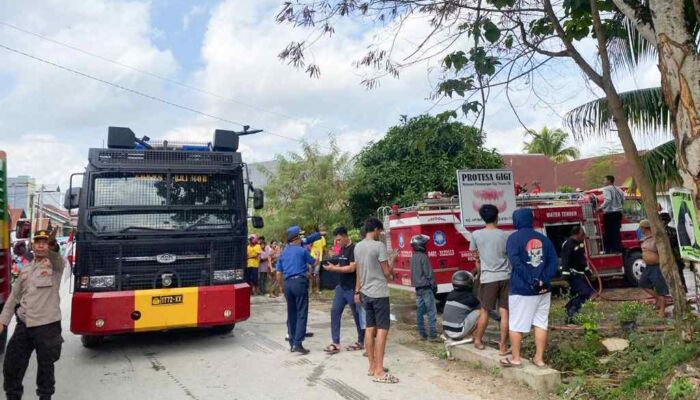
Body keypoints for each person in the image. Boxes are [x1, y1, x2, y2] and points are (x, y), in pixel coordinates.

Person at [1, 229, 64, 400]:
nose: (42, 244)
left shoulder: (55, 265)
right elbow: (14, 296)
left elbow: (56, 257)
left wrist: (53, 247)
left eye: (45, 241)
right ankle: (13, 396)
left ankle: (45, 397)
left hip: (46, 325)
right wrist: (3, 321)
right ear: (33, 245)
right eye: (38, 242)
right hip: (24, 323)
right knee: (12, 364)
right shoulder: (26, 269)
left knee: (45, 367)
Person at [501, 208, 558, 368]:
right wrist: (543, 279)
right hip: (543, 290)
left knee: (516, 324)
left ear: (516, 221)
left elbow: (516, 262)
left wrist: (531, 279)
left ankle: (516, 358)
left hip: (522, 289)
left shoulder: (513, 238)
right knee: (541, 323)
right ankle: (539, 359)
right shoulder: (544, 239)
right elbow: (554, 262)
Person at [355, 217, 398, 384]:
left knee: (369, 328)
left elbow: (358, 270)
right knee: (382, 329)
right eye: (380, 231)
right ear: (375, 229)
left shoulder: (358, 247)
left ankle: (372, 366)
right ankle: (380, 371)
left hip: (365, 292)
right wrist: (392, 260)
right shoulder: (379, 246)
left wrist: (357, 290)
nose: (380, 234)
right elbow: (387, 273)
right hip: (379, 293)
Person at [469, 204, 511, 355]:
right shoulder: (506, 235)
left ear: (482, 217)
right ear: (497, 217)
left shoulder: (476, 235)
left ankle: (478, 340)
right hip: (506, 277)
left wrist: (479, 262)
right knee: (505, 312)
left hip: (488, 278)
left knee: (485, 310)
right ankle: (503, 347)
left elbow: (474, 253)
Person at [323, 227, 364, 354]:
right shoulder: (342, 249)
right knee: (334, 311)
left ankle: (361, 340)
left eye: (339, 239)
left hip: (352, 287)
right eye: (336, 240)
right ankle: (336, 342)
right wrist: (332, 267)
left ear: (346, 237)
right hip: (341, 287)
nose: (338, 242)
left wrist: (334, 269)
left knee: (357, 315)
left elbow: (352, 268)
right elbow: (342, 266)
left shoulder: (354, 249)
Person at [276, 226, 317, 354]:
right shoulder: (301, 251)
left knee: (291, 313)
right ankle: (298, 343)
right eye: (300, 237)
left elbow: (278, 273)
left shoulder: (283, 253)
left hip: (287, 284)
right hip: (299, 283)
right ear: (296, 239)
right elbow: (314, 262)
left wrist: (281, 286)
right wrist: (317, 258)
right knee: (302, 313)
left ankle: (292, 342)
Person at [561, 226, 596, 320]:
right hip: (572, 275)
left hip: (579, 275)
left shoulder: (578, 245)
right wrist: (564, 277)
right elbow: (565, 261)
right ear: (577, 234)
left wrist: (588, 272)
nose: (584, 237)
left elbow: (582, 261)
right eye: (583, 235)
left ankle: (570, 312)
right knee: (585, 292)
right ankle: (572, 311)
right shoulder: (568, 244)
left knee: (581, 294)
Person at [638, 219, 670, 317]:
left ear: (645, 228)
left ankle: (662, 310)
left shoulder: (656, 238)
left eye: (641, 227)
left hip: (657, 266)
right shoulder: (645, 238)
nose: (640, 229)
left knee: (660, 288)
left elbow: (663, 251)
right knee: (643, 283)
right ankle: (658, 299)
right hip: (648, 266)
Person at [409, 234, 438, 341]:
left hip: (418, 289)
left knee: (420, 312)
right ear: (421, 245)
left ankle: (422, 334)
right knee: (431, 312)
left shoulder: (412, 258)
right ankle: (432, 335)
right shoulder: (424, 257)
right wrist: (434, 285)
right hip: (426, 288)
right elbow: (429, 273)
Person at [442, 271, 481, 341]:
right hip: (458, 332)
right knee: (482, 312)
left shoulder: (450, 294)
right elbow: (486, 309)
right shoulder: (470, 298)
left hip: (446, 330)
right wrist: (499, 318)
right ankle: (472, 336)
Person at [659, 212, 687, 292]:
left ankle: (680, 292)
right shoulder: (673, 230)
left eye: (660, 220)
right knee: (679, 276)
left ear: (664, 221)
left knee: (677, 276)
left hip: (673, 257)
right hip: (676, 257)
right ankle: (682, 291)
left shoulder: (665, 232)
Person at [600, 175, 625, 253]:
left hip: (610, 214)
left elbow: (608, 200)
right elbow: (623, 199)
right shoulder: (619, 189)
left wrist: (600, 208)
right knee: (616, 232)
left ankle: (608, 250)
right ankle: (617, 249)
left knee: (608, 233)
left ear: (609, 181)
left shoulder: (606, 189)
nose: (603, 182)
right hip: (618, 213)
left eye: (604, 180)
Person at [310, 228, 327, 295]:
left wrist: (323, 256)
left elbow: (323, 248)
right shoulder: (311, 238)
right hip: (311, 258)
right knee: (311, 274)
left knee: (317, 274)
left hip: (319, 258)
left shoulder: (322, 238)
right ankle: (310, 289)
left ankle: (317, 289)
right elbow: (310, 247)